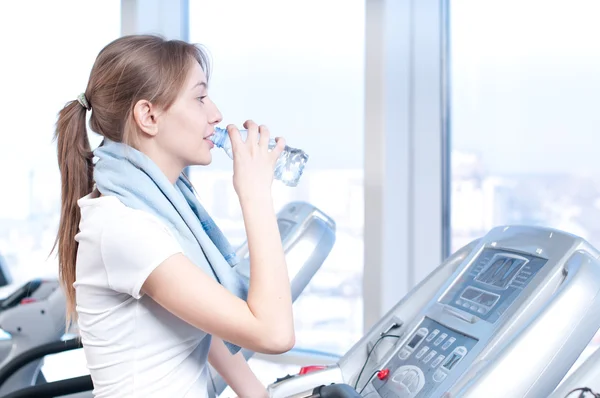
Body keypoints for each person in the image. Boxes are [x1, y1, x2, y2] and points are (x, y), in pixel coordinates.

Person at [53, 34, 294, 397]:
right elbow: (275, 335)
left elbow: (197, 315)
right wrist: (256, 194)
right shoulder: (125, 226)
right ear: (148, 115)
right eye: (199, 98)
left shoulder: (160, 207)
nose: (216, 114)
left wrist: (257, 393)